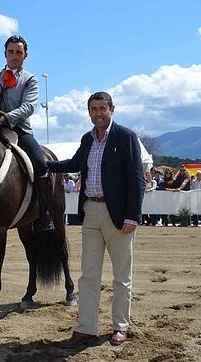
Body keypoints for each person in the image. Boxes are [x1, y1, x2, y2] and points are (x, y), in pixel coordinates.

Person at [48, 92, 145, 348]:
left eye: (103, 108)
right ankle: (86, 329)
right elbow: (75, 163)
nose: (98, 113)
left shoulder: (126, 137)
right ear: (88, 112)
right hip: (90, 211)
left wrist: (133, 216)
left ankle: (119, 327)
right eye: (93, 109)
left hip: (119, 217)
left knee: (121, 276)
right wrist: (47, 165)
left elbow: (137, 180)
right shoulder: (86, 139)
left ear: (112, 109)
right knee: (88, 275)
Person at [0, 35, 53, 231]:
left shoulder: (30, 79)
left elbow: (28, 106)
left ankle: (45, 212)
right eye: (11, 52)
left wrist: (7, 118)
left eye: (18, 52)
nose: (14, 56)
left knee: (40, 163)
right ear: (5, 53)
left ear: (25, 55)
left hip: (18, 128)